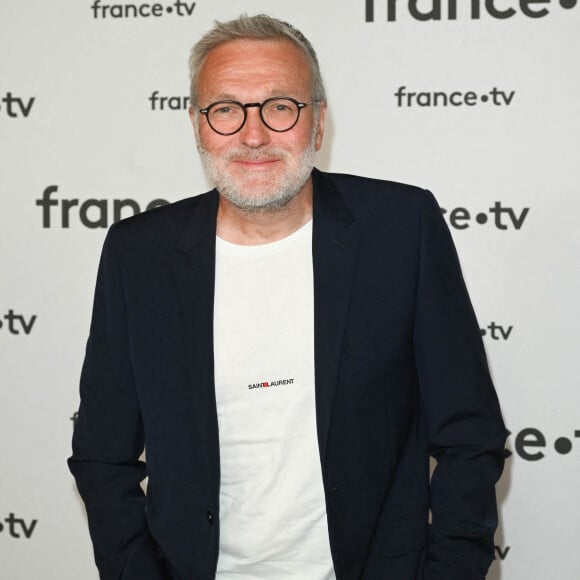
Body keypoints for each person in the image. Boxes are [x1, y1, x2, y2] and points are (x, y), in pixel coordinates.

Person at [68, 13, 507, 580]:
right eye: (226, 109)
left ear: (318, 123)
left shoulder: (402, 229)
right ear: (198, 125)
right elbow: (103, 454)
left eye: (280, 107)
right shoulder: (139, 255)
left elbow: (470, 434)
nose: (253, 135)